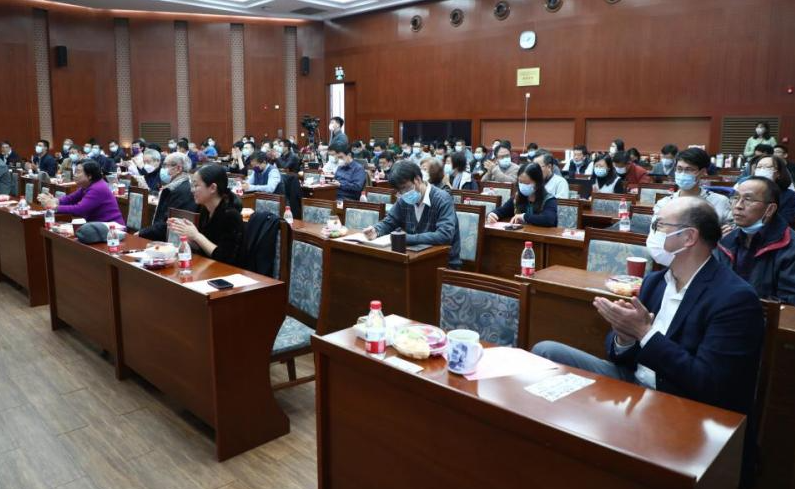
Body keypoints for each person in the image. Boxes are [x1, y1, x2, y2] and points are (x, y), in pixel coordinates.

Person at [531, 196, 764, 486]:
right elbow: (619, 355)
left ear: (689, 237)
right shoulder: (655, 281)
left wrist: (644, 334)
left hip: (685, 406)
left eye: (659, 226)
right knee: (546, 351)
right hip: (635, 383)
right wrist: (625, 335)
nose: (651, 234)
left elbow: (710, 385)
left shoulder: (734, 298)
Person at [363, 160, 461, 268]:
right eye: (399, 191)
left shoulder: (442, 199)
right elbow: (390, 221)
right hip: (415, 259)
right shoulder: (404, 199)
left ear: (417, 179)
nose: (403, 194)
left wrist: (408, 238)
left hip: (443, 264)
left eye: (405, 188)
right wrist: (376, 230)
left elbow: (445, 235)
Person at [715, 177, 795, 305]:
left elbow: (789, 302)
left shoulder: (789, 245)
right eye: (735, 198)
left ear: (770, 209)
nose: (738, 206)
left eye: (748, 200)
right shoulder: (727, 241)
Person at [169, 165, 243, 265]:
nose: (192, 190)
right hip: (207, 265)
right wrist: (185, 233)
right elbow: (203, 247)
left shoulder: (231, 216)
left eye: (196, 185)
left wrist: (196, 235)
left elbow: (225, 258)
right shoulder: (204, 209)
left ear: (212, 188)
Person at [653, 147, 732, 227]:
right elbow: (656, 232)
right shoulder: (664, 203)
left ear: (703, 172)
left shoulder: (719, 202)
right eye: (679, 169)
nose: (683, 174)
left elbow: (731, 230)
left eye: (689, 169)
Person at [37, 159, 124, 225]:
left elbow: (80, 209)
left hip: (112, 227)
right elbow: (70, 199)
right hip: (97, 225)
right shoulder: (86, 186)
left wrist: (55, 207)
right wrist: (54, 201)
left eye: (78, 172)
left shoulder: (98, 188)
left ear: (89, 176)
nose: (74, 175)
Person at [137, 152, 197, 241]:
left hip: (169, 241)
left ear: (178, 168)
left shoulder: (180, 190)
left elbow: (166, 224)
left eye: (166, 165)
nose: (163, 169)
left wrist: (141, 233)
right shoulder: (179, 185)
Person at [486, 162, 557, 227]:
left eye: (527, 183)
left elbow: (549, 219)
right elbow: (503, 210)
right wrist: (493, 214)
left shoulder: (549, 199)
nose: (523, 186)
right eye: (520, 182)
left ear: (538, 183)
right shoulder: (517, 197)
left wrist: (523, 217)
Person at [753, 155, 795, 224]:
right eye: (759, 167)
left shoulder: (789, 196)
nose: (762, 170)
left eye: (767, 167)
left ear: (778, 173)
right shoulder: (748, 191)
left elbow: (785, 221)